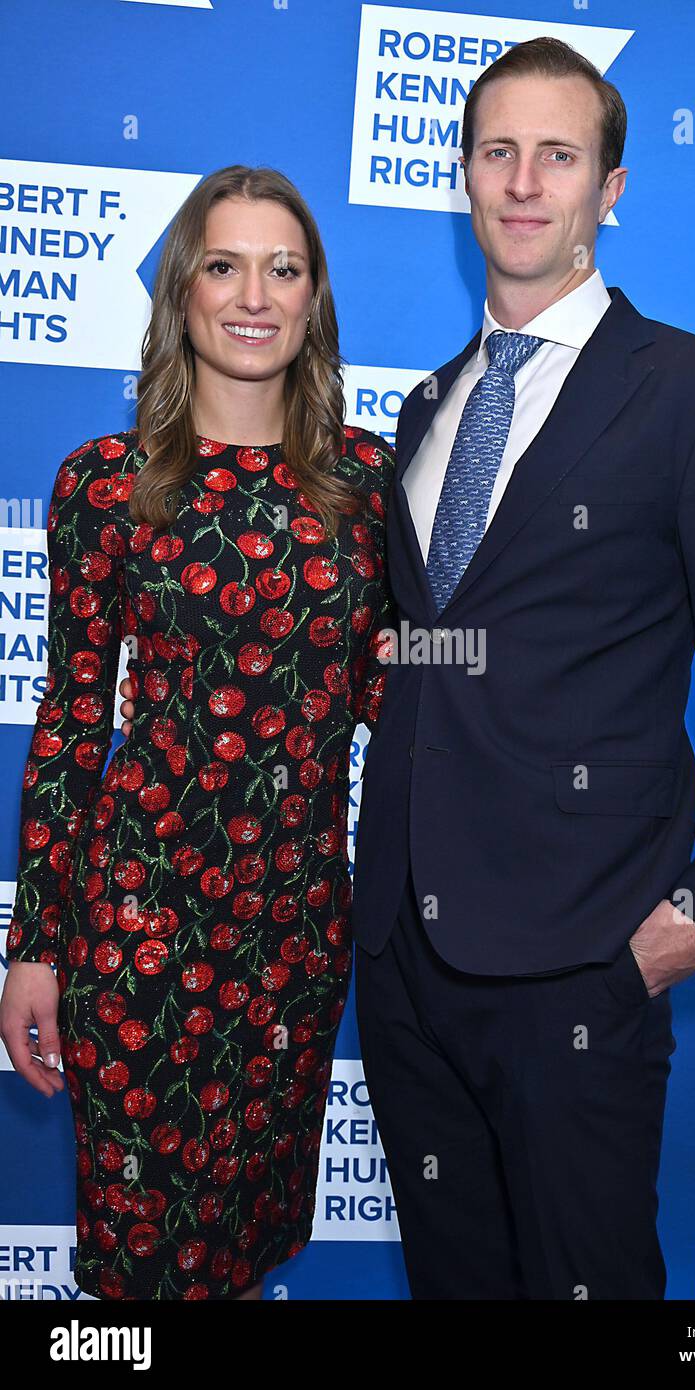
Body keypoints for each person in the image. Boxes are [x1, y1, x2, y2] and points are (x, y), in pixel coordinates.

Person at [349, 39, 695, 1299]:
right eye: (497, 152)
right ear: (462, 176)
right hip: (403, 954)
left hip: (581, 962)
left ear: (609, 187)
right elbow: (452, 646)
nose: (522, 182)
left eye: (558, 155)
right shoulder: (430, 406)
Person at [0, 165, 394, 1301]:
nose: (253, 294)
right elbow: (75, 716)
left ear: (314, 299)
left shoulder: (365, 487)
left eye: (285, 268)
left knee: (246, 1251)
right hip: (138, 926)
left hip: (294, 935)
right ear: (182, 291)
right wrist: (35, 942)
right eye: (224, 264)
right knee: (139, 1272)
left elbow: (399, 700)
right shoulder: (107, 484)